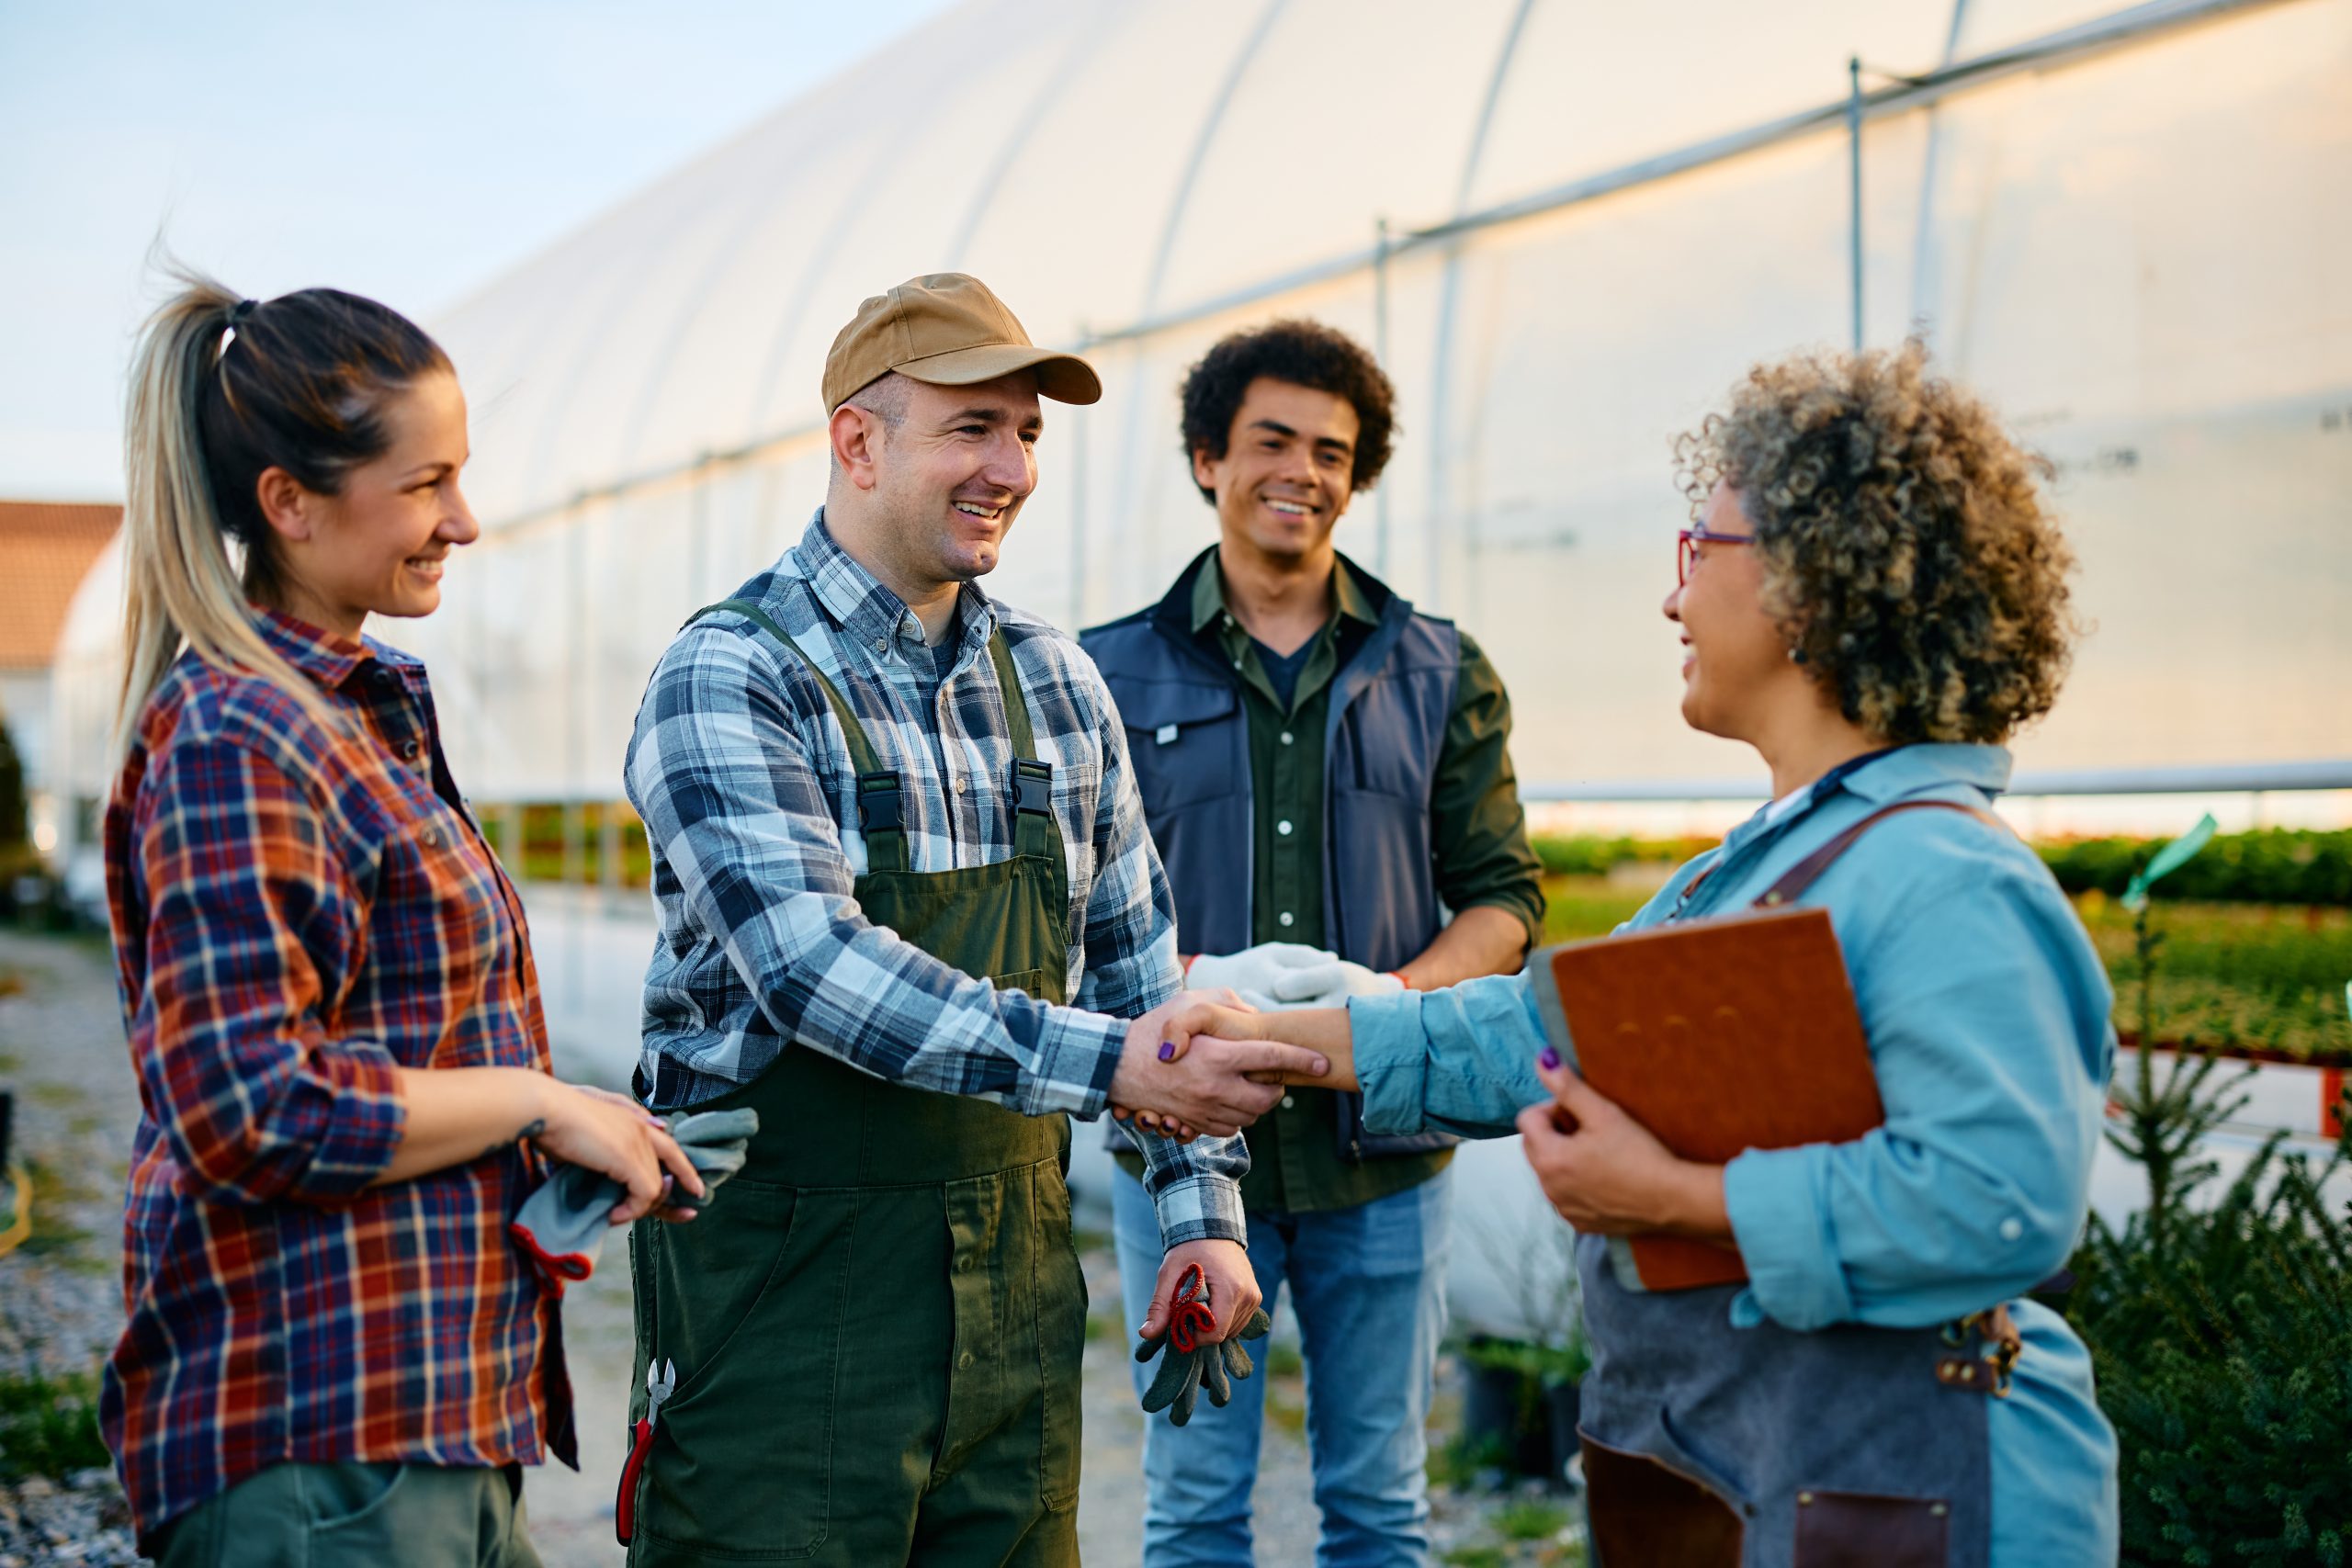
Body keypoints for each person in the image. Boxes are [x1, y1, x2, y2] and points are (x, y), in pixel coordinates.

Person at [1159, 344, 2121, 1565]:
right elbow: (1535, 1034)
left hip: (1927, 1497)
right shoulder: (1771, 863)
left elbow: (2000, 1206)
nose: (1672, 600)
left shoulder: (1944, 878)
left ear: (1809, 582)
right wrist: (1271, 1038)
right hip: (1813, 1479)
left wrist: (1672, 1203)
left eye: (1697, 552)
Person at [618, 274, 1329, 1567]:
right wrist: (1115, 1066)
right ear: (857, 441)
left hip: (1012, 1306)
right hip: (784, 1310)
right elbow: (816, 973)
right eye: (973, 428)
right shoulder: (732, 673)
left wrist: (1198, 1219)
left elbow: (1134, 969)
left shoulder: (1054, 683)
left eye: (1029, 434)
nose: (1013, 467)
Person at [102, 276, 710, 1566]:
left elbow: (391, 1049)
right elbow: (249, 1105)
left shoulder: (344, 718)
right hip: (322, 1430)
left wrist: (564, 1136)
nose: (466, 521)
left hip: (426, 1413)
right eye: (427, 483)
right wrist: (541, 1103)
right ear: (290, 502)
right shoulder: (240, 735)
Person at [1081, 319, 1544, 1565]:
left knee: (1382, 1506)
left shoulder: (1440, 669)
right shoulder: (1104, 676)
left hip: (1381, 1159)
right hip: (1181, 1148)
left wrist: (1384, 1005)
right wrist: (1167, 988)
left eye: (1333, 450)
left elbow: (1502, 901)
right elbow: (1059, 916)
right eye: (1272, 440)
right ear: (1206, 459)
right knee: (1192, 1507)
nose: (1304, 470)